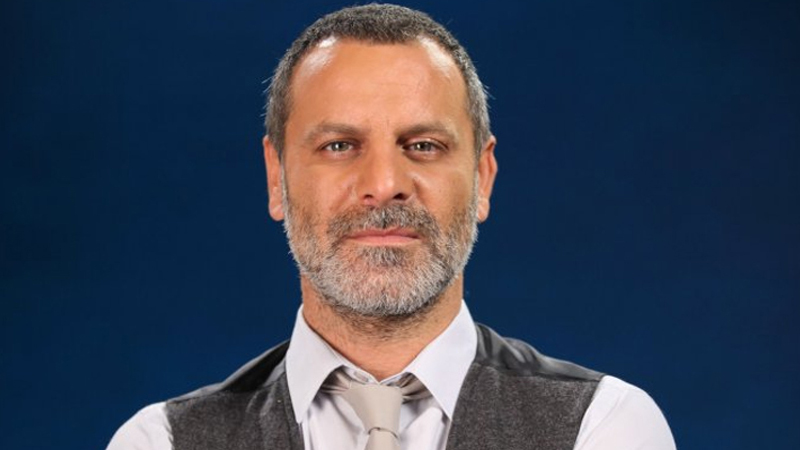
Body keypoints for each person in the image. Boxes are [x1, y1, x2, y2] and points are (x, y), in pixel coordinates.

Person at [107, 4, 675, 450]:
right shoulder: (160, 442)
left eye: (423, 146)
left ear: (483, 178)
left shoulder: (604, 428)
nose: (383, 184)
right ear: (276, 178)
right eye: (339, 146)